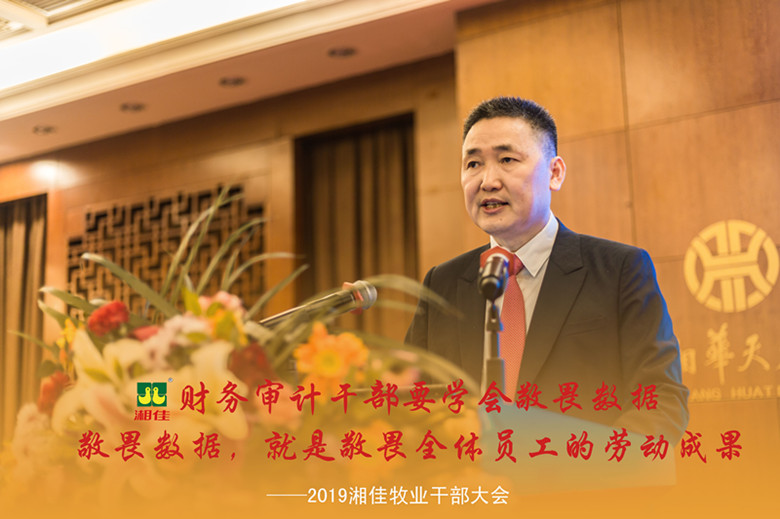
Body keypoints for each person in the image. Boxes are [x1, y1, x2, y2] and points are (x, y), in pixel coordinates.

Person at [405, 96, 689, 442]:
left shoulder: (619, 270)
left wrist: (588, 467)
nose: (487, 181)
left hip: (584, 474)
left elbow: (661, 401)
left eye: (507, 160)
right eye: (473, 164)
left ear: (554, 173)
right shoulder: (443, 283)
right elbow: (412, 403)